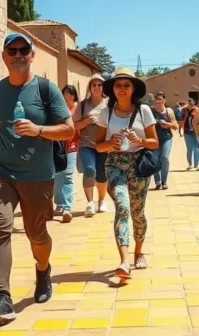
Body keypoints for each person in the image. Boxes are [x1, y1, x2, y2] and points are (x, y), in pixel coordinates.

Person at [0, 33, 75, 323]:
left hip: (37, 175)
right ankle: (3, 296)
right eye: (13, 51)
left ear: (32, 55)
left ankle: (43, 270)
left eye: (24, 50)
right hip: (1, 171)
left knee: (36, 234)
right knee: (1, 228)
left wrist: (39, 130)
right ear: (4, 57)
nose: (18, 55)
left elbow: (69, 130)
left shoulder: (46, 90)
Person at [95, 68, 159, 277]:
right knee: (122, 206)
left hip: (139, 164)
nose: (121, 89)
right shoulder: (106, 112)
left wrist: (139, 141)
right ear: (112, 89)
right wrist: (110, 143)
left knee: (137, 211)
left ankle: (138, 253)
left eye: (126, 85)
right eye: (117, 85)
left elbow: (155, 142)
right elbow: (98, 146)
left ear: (133, 89)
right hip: (115, 163)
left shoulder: (144, 111)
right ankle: (123, 261)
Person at [72, 74, 109, 217]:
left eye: (99, 85)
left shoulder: (108, 104)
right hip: (86, 144)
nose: (97, 88)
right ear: (90, 87)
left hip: (103, 143)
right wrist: (86, 122)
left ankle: (101, 200)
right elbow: (74, 126)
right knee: (89, 169)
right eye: (94, 85)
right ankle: (90, 202)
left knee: (102, 173)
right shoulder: (82, 105)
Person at [52, 85, 80, 222]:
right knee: (58, 175)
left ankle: (67, 207)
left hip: (72, 146)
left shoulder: (77, 109)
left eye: (71, 93)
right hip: (59, 146)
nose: (68, 96)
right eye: (66, 93)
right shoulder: (57, 107)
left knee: (68, 175)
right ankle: (59, 202)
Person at [151, 92, 179, 190]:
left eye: (160, 100)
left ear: (164, 101)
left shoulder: (169, 111)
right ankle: (158, 182)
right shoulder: (150, 111)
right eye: (156, 100)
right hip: (154, 138)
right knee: (155, 159)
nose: (158, 102)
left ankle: (164, 181)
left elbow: (176, 126)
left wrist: (167, 124)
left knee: (164, 157)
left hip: (166, 138)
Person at [181, 99, 199, 170]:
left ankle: (197, 165)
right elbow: (183, 119)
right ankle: (190, 164)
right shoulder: (186, 110)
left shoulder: (197, 110)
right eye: (189, 102)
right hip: (187, 131)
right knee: (189, 149)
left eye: (191, 102)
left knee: (196, 148)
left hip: (195, 131)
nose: (190, 104)